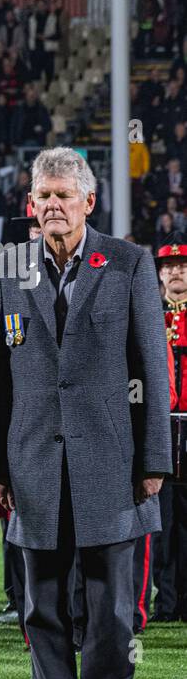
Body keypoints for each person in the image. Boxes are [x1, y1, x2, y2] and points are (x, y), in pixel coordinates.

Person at [0, 148, 172, 679]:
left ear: (89, 202)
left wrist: (155, 460)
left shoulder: (128, 264)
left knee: (112, 609)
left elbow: (153, 368)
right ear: (31, 206)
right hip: (33, 465)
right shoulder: (8, 270)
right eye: (44, 196)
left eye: (65, 195)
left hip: (112, 465)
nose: (53, 205)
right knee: (41, 608)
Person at [156, 232, 187, 622]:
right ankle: (164, 602)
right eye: (170, 267)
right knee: (162, 520)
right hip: (163, 426)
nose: (177, 273)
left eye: (182, 267)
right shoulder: (151, 315)